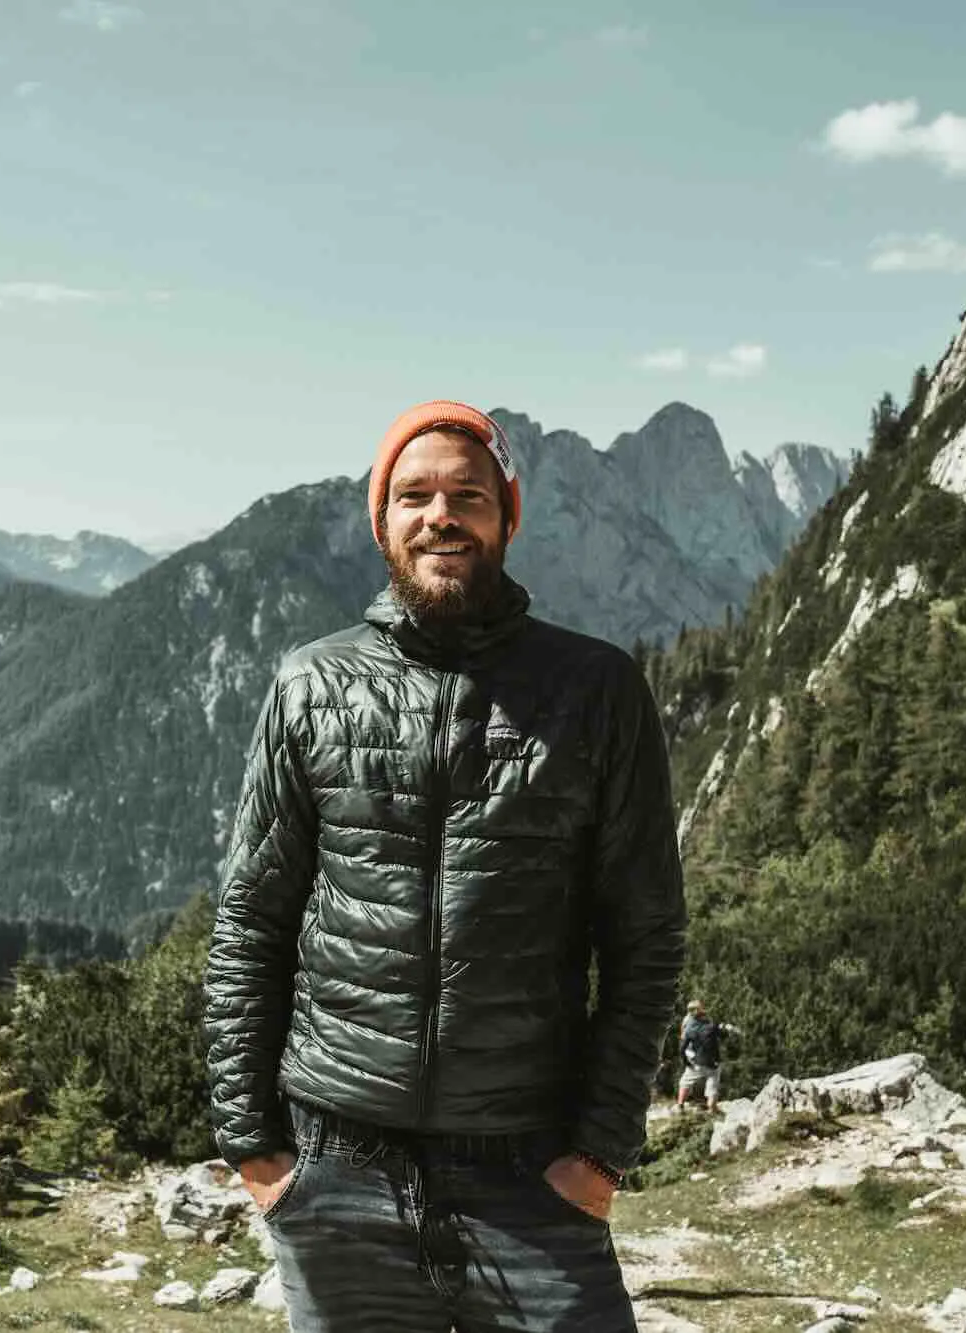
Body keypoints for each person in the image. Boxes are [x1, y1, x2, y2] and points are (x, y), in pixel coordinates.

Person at [204, 400, 686, 1332]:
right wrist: (254, 1147)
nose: (442, 515)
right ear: (381, 521)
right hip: (336, 1167)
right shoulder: (312, 683)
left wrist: (600, 1153)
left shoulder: (596, 689)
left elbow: (647, 934)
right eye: (415, 494)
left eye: (468, 494)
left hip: (532, 1176)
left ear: (506, 516)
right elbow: (250, 921)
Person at [675, 999, 734, 1115]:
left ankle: (680, 1105)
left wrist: (686, 1061)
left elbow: (682, 1046)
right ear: (700, 1012)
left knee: (685, 1082)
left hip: (696, 1061)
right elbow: (722, 1035)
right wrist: (727, 1030)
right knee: (713, 1085)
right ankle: (712, 1108)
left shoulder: (688, 1025)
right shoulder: (710, 1025)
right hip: (713, 1063)